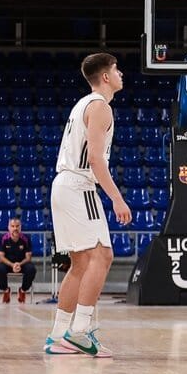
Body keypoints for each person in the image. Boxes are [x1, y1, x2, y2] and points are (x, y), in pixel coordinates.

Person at [44, 53, 132, 357]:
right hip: (78, 185)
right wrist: (117, 198)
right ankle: (79, 332)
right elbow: (94, 159)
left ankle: (58, 335)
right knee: (103, 256)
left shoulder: (83, 103)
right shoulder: (100, 107)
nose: (122, 74)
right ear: (106, 77)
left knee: (81, 263)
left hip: (64, 184)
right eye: (117, 69)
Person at [0, 218, 36, 303]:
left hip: (22, 264)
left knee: (31, 269)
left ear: (20, 227)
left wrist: (19, 264)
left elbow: (28, 257)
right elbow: (1, 257)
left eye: (17, 226)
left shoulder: (26, 238)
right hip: (7, 264)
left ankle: (22, 291)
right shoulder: (2, 238)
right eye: (12, 226)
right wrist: (12, 265)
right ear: (8, 227)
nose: (15, 228)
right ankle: (6, 291)